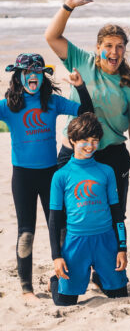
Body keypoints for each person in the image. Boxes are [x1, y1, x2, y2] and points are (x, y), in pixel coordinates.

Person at [45, 0, 130, 215]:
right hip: (75, 151)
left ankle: (117, 253)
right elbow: (51, 36)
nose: (114, 52)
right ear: (98, 47)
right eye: (108, 46)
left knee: (114, 214)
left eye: (119, 47)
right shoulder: (81, 61)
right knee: (70, 213)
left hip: (111, 154)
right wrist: (69, 6)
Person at [2, 54, 93, 299]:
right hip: (22, 176)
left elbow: (86, 112)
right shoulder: (9, 105)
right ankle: (26, 288)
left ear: (43, 76)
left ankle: (61, 277)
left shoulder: (51, 102)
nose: (34, 76)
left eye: (38, 72)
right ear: (19, 76)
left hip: (50, 175)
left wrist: (80, 87)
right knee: (26, 232)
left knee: (61, 226)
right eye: (28, 72)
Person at [47, 113, 128, 306]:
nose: (90, 146)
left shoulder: (106, 171)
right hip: (75, 242)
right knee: (65, 302)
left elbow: (117, 213)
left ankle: (100, 276)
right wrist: (56, 257)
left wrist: (122, 248)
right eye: (85, 140)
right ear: (73, 140)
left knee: (120, 295)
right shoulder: (61, 176)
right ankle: (54, 281)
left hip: (105, 240)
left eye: (95, 141)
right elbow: (54, 220)